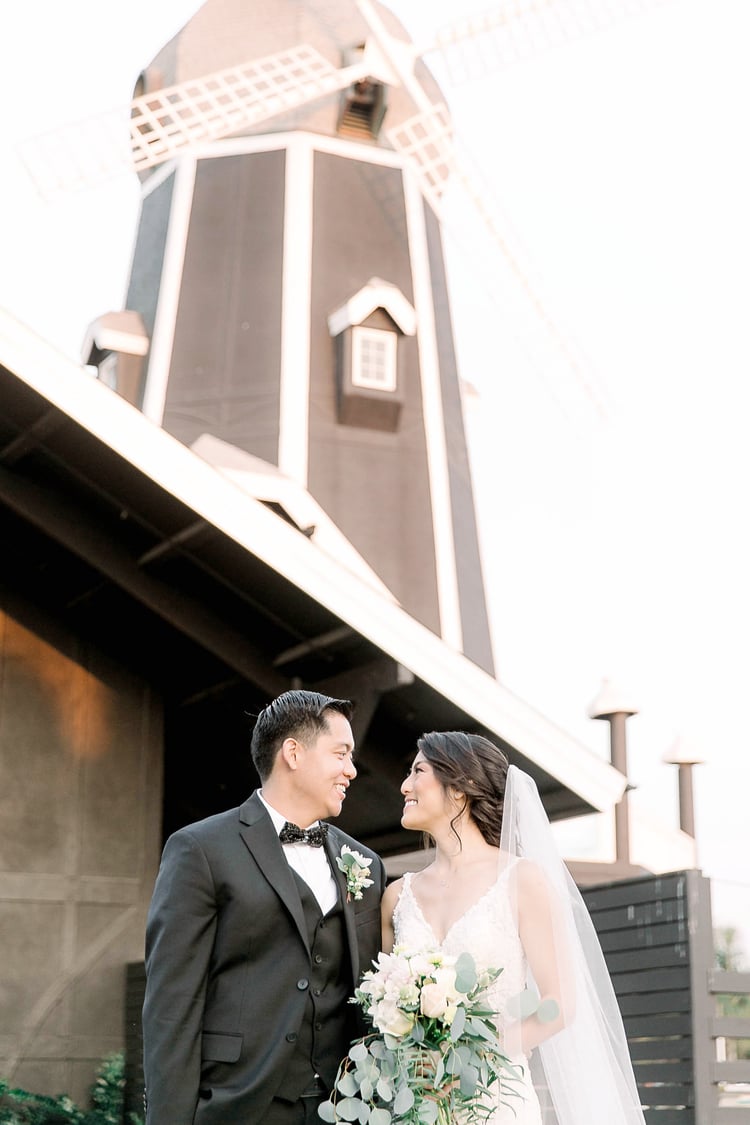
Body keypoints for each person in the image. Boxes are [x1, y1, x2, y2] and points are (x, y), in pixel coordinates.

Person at [142, 689, 386, 1125]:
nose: (351, 770)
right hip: (237, 1106)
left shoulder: (365, 863)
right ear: (293, 752)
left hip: (347, 1107)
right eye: (341, 754)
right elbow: (171, 1005)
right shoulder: (200, 849)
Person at [381, 731, 647, 1125]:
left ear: (460, 788)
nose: (405, 786)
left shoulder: (521, 881)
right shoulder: (396, 896)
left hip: (495, 1101)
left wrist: (471, 1060)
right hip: (416, 1103)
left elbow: (558, 1005)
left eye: (418, 771)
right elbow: (381, 1009)